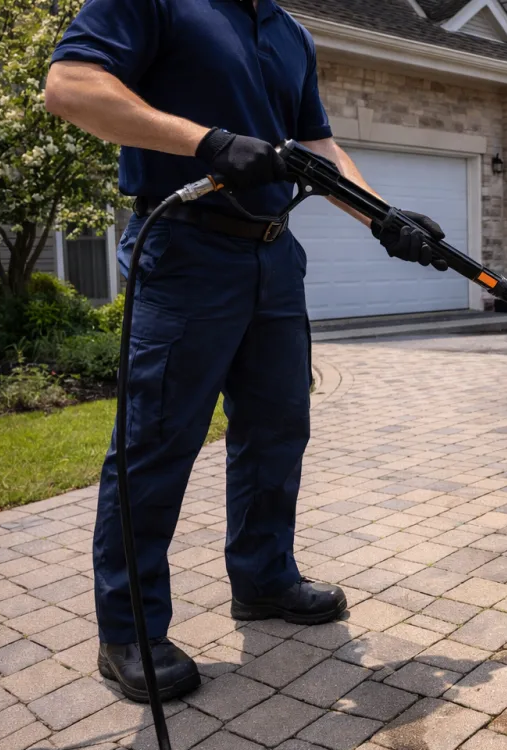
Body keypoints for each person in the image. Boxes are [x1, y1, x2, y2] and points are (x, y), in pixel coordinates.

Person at [45, 0, 446, 702]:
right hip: (183, 251)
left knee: (277, 428)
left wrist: (383, 217)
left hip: (271, 256)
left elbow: (317, 148)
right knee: (156, 443)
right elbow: (71, 86)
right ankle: (131, 631)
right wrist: (207, 143)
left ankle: (263, 578)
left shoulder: (290, 33)